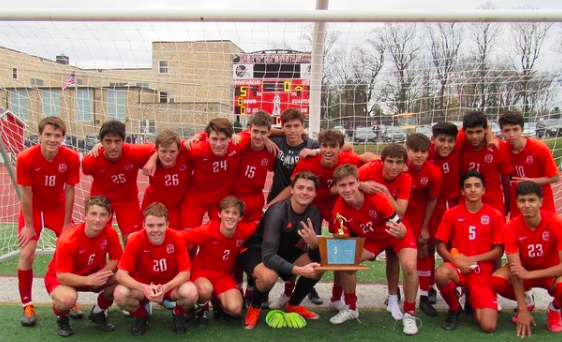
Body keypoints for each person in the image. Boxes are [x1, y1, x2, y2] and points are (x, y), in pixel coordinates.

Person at [330, 164, 420, 335]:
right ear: (336, 187)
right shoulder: (339, 211)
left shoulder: (377, 199)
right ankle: (351, 307)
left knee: (409, 266)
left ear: (358, 182)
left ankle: (409, 313)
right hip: (373, 240)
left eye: (351, 184)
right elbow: (344, 245)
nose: (347, 189)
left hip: (395, 234)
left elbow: (400, 228)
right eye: (342, 185)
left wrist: (399, 232)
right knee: (344, 260)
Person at [16, 116, 80, 326]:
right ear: (39, 136)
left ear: (63, 137)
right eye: (48, 135)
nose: (53, 139)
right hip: (33, 208)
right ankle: (27, 304)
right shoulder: (26, 157)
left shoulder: (70, 157)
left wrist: (67, 223)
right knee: (26, 252)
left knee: (69, 249)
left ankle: (69, 299)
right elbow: (26, 194)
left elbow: (70, 190)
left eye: (57, 135)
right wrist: (28, 225)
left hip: (58, 206)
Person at [240, 172, 323, 330]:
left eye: (309, 189)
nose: (304, 192)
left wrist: (314, 244)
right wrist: (298, 270)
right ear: (292, 190)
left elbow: (316, 257)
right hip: (256, 251)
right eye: (300, 187)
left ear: (315, 193)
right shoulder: (277, 211)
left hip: (284, 251)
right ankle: (255, 307)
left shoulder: (314, 213)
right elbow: (269, 256)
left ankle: (293, 305)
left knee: (317, 267)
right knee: (268, 276)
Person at [114, 203, 199, 335]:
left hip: (170, 286)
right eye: (150, 225)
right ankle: (141, 315)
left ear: (167, 225)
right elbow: (120, 275)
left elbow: (185, 273)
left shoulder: (177, 238)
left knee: (191, 293)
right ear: (143, 225)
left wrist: (165, 288)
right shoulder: (135, 239)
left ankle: (178, 313)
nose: (155, 230)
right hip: (144, 284)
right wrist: (144, 288)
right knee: (120, 294)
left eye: (160, 225)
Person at [490, 181, 562, 336]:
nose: (527, 205)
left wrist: (529, 274)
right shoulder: (510, 227)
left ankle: (555, 308)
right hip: (524, 274)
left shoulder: (556, 223)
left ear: (541, 202)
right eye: (522, 201)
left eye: (532, 200)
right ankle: (526, 300)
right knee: (496, 281)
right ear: (516, 203)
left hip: (550, 275)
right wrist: (521, 309)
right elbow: (515, 268)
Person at [435, 171, 504, 332]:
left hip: (482, 272)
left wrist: (471, 258)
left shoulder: (495, 215)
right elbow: (440, 246)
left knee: (489, 326)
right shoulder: (451, 213)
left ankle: (472, 299)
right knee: (441, 273)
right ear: (462, 191)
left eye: (477, 186)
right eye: (468, 186)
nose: (473, 190)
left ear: (484, 190)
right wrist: (458, 261)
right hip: (458, 267)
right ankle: (454, 307)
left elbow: (498, 251)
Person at [44, 196, 122, 337]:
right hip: (64, 279)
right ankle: (62, 318)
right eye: (93, 214)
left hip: (94, 275)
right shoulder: (68, 239)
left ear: (109, 217)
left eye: (103, 215)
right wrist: (89, 280)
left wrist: (100, 275)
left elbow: (116, 259)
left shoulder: (111, 233)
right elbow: (62, 276)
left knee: (122, 277)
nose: (97, 219)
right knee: (67, 299)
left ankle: (99, 312)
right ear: (85, 215)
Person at [265, 108, 321, 306]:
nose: (292, 130)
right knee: (276, 246)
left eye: (296, 126)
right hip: (279, 204)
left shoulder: (311, 144)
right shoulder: (278, 141)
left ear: (303, 127)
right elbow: (255, 130)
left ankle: (300, 289)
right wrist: (270, 136)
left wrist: (315, 151)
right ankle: (263, 291)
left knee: (303, 246)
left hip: (301, 204)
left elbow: (343, 146)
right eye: (288, 126)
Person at [181, 196, 257, 325]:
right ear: (219, 214)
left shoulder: (243, 230)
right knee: (205, 290)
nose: (230, 216)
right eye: (227, 212)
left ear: (240, 217)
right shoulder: (207, 231)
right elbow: (179, 236)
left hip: (223, 276)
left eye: (235, 213)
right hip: (201, 272)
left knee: (235, 309)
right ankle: (201, 308)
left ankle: (217, 303)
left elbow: (258, 224)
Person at [357, 143, 412, 320]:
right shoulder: (369, 169)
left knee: (403, 262)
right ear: (382, 161)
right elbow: (341, 185)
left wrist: (385, 192)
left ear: (404, 164)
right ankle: (344, 299)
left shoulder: (405, 178)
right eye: (390, 161)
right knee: (347, 258)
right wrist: (361, 184)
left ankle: (397, 303)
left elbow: (400, 212)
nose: (394, 166)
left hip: (394, 225)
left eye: (398, 162)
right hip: (370, 225)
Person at [82, 120, 155, 243]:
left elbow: (160, 147)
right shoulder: (90, 161)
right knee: (96, 236)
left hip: (127, 200)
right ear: (101, 142)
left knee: (133, 239)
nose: (113, 147)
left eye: (117, 141)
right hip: (101, 201)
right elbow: (85, 170)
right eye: (108, 142)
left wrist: (152, 159)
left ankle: (130, 262)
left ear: (123, 141)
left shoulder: (133, 152)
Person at [179, 118, 251, 228]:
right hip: (196, 198)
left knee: (223, 235)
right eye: (214, 139)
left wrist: (267, 140)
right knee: (188, 241)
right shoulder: (196, 149)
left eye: (223, 139)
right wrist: (153, 159)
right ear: (207, 138)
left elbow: (257, 132)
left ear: (230, 138)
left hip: (221, 200)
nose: (218, 144)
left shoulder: (238, 144)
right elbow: (166, 144)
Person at [403, 133, 442, 316]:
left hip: (418, 216)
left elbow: (433, 200)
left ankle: (425, 297)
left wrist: (425, 227)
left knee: (424, 250)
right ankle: (394, 295)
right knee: (396, 256)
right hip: (398, 215)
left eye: (423, 151)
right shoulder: (398, 166)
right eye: (415, 151)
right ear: (407, 149)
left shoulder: (433, 172)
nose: (419, 155)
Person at [498, 111, 559, 217]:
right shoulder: (504, 150)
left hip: (542, 201)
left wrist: (531, 181)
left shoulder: (539, 148)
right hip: (518, 203)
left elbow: (555, 177)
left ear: (522, 129)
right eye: (507, 130)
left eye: (515, 129)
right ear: (502, 132)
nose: (511, 134)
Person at [427, 122, 462, 304]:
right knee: (430, 246)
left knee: (452, 247)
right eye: (441, 140)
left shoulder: (459, 147)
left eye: (450, 141)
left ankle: (454, 284)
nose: (446, 145)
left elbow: (474, 129)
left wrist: (490, 135)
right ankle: (430, 286)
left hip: (454, 205)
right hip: (433, 206)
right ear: (433, 140)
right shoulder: (425, 154)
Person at [460, 111, 513, 216]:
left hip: (492, 201)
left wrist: (507, 204)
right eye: (470, 132)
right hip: (466, 199)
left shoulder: (499, 147)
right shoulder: (460, 144)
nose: (474, 137)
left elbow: (506, 180)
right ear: (464, 131)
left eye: (478, 132)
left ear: (485, 130)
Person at [141, 129, 192, 229]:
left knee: (183, 240)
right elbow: (125, 149)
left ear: (179, 150)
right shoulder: (146, 156)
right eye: (163, 151)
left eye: (172, 151)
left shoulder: (188, 159)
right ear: (156, 150)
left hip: (176, 207)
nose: (168, 156)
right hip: (152, 204)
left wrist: (199, 136)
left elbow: (208, 142)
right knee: (146, 235)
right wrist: (101, 147)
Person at [230, 111, 275, 222]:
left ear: (269, 133)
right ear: (249, 129)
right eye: (255, 131)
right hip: (235, 197)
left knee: (253, 234)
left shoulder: (271, 152)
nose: (258, 136)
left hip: (256, 198)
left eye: (263, 133)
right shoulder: (240, 144)